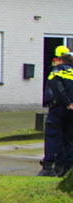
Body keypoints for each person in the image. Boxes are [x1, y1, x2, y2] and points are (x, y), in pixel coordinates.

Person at [39, 46, 73, 176]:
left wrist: (66, 102)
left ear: (60, 61)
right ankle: (67, 167)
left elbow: (56, 87)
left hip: (59, 107)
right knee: (69, 138)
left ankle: (48, 166)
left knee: (53, 135)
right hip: (71, 110)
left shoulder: (57, 71)